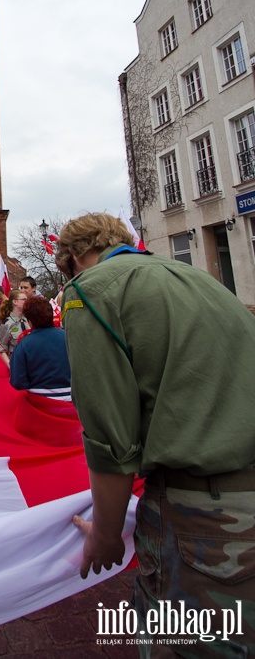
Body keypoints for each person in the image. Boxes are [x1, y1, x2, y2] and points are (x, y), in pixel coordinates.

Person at [56, 212, 255, 654]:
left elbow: (110, 435)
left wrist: (106, 534)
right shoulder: (194, 277)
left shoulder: (89, 291)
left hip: (209, 519)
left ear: (73, 258)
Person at [8, 296, 71, 400]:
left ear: (30, 320)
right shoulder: (68, 337)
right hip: (72, 400)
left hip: (39, 402)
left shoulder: (24, 344)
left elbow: (18, 382)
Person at [0, 289, 28, 367]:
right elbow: (1, 349)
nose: (27, 302)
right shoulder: (7, 324)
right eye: (24, 300)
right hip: (17, 362)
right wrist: (11, 366)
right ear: (15, 302)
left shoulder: (28, 320)